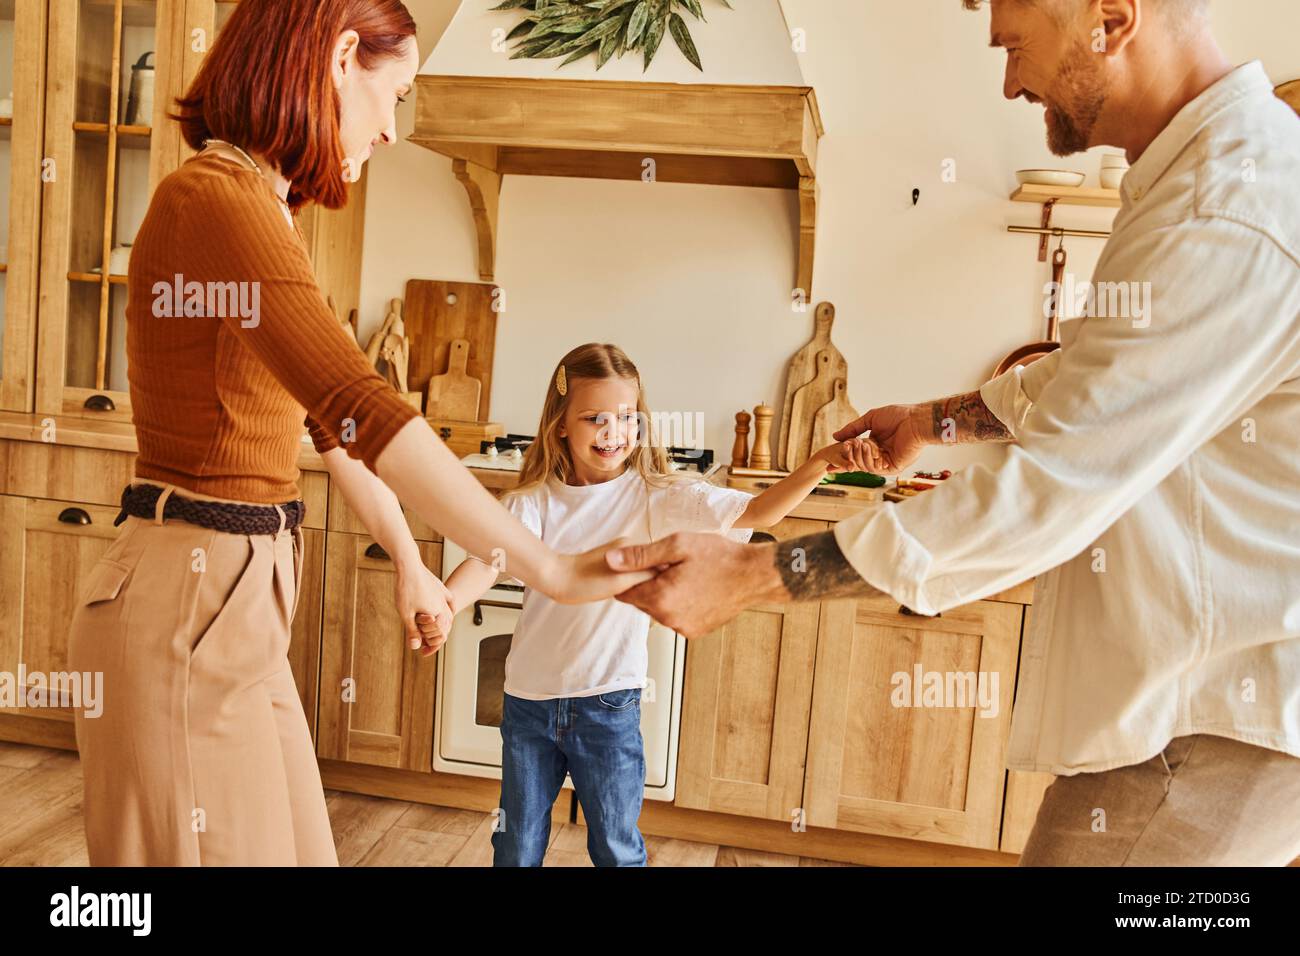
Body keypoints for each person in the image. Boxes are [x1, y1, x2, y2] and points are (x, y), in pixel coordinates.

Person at [609, 0, 1300, 865]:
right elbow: (1083, 380)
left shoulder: (1224, 209)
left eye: (1014, 48)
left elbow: (1055, 483)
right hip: (1189, 718)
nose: (1010, 82)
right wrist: (929, 422)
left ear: (1111, 18)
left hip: (1208, 729)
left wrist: (756, 573)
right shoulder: (1205, 183)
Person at [67, 0, 650, 867]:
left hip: (239, 604)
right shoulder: (216, 200)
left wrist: (412, 562)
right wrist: (553, 570)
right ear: (342, 58)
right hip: (184, 603)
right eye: (397, 93)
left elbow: (333, 429)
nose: (390, 130)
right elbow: (363, 404)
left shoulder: (263, 209)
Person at [442, 343, 874, 866]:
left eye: (626, 417)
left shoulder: (658, 497)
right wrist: (447, 603)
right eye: (594, 417)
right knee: (515, 846)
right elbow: (487, 560)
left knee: (617, 848)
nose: (613, 431)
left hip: (608, 704)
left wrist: (821, 463)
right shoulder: (532, 503)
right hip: (528, 704)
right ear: (560, 424)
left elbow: (761, 513)